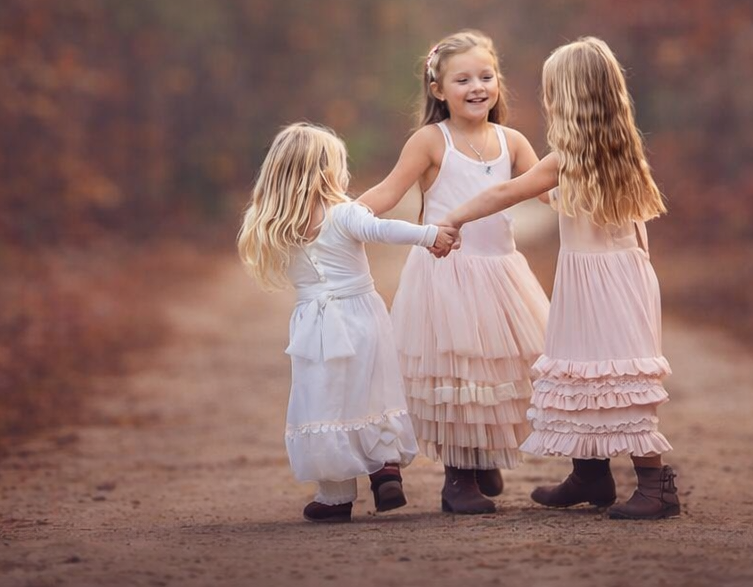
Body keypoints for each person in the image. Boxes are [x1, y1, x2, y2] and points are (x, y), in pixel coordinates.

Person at [443, 36, 680, 519]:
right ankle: (590, 473)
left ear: (568, 99)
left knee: (618, 378)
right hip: (616, 280)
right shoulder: (619, 152)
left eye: (552, 92)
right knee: (581, 370)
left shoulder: (568, 160)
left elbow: (505, 193)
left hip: (605, 288)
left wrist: (453, 218)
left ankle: (657, 486)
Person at [357, 30, 550, 514]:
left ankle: (484, 454)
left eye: (486, 76)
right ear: (439, 89)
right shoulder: (430, 141)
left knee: (505, 367)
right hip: (447, 274)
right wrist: (345, 216)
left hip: (502, 272)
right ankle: (458, 478)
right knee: (459, 374)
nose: (477, 86)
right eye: (462, 79)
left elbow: (551, 191)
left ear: (498, 83)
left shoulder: (513, 141)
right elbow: (387, 191)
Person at [237, 122, 459, 523]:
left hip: (312, 326)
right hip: (361, 316)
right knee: (372, 388)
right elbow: (382, 228)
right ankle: (385, 468)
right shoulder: (343, 214)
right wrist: (429, 234)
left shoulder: (273, 225)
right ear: (324, 172)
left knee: (324, 396)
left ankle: (335, 495)